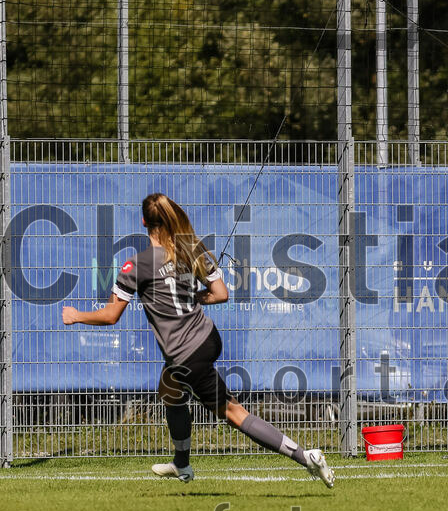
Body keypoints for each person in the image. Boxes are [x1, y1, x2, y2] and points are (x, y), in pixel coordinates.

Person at [61, 193, 335, 488]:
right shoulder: (191, 251)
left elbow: (111, 315)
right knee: (169, 390)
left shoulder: (136, 265)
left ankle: (305, 456)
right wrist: (193, 296)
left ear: (144, 222)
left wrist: (77, 315)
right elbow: (221, 294)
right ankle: (181, 463)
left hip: (185, 354)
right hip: (207, 338)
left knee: (233, 412)